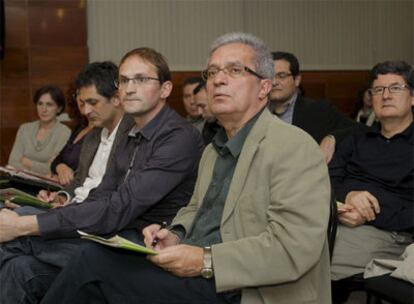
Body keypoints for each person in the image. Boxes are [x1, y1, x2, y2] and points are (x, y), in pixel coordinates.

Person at [42, 32, 331, 304]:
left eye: (234, 70)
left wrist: (205, 259)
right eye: (213, 72)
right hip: (201, 270)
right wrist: (175, 234)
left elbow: (292, 248)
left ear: (264, 86)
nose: (217, 81)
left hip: (247, 288)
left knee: (93, 266)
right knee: (94, 256)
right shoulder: (213, 151)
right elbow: (194, 210)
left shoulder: (293, 147)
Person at [0, 48, 203, 303]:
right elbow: (100, 197)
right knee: (18, 268)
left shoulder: (178, 138)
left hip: (139, 245)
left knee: (15, 238)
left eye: (141, 79)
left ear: (165, 89)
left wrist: (24, 226)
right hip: (107, 232)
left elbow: (118, 208)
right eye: (124, 80)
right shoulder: (131, 134)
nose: (129, 88)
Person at [329, 61, 414, 303]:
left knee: (313, 257)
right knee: (292, 242)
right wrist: (350, 196)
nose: (386, 95)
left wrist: (369, 213)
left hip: (393, 234)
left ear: (412, 97)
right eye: (378, 90)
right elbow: (328, 179)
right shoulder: (356, 138)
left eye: (395, 88)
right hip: (338, 218)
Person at [38, 61, 134, 206]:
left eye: (93, 102)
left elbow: (120, 194)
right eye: (83, 103)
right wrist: (62, 197)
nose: (86, 111)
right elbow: (79, 181)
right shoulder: (93, 135)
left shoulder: (134, 135)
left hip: (95, 214)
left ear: (116, 98)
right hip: (74, 208)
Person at [269, 51, 356, 162]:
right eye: (270, 76)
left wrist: (332, 138)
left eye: (282, 76)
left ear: (297, 80)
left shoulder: (318, 110)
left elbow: (358, 129)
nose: (275, 82)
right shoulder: (256, 111)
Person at [7, 85, 71, 176]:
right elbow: (13, 162)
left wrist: (28, 163)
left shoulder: (64, 132)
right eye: (40, 104)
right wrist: (42, 167)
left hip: (46, 186)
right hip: (19, 181)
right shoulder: (25, 129)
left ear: (59, 108)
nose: (43, 109)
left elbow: (53, 168)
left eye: (49, 104)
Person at [50, 84, 94, 185]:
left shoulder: (101, 131)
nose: (80, 99)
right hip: (62, 187)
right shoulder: (79, 128)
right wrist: (60, 167)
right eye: (77, 95)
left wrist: (64, 176)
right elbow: (56, 161)